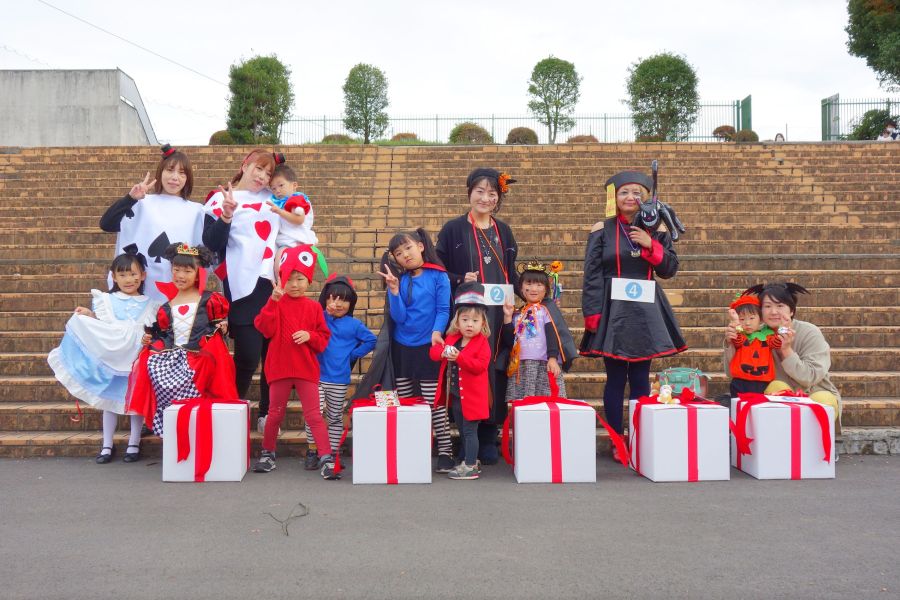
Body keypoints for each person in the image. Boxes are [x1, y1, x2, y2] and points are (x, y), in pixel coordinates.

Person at [580, 170, 686, 459]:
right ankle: (616, 439)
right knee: (615, 378)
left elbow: (670, 270)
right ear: (614, 197)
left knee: (640, 377)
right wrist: (592, 312)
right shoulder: (601, 228)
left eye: (637, 193)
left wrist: (651, 245)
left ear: (646, 198)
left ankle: (640, 437)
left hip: (644, 311)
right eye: (624, 192)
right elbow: (591, 274)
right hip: (612, 310)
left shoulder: (659, 230)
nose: (631, 197)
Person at [435, 168, 519, 464]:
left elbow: (513, 271)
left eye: (492, 193)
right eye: (480, 192)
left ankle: (488, 437)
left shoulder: (504, 231)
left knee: (494, 367)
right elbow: (438, 270)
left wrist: (540, 289)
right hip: (467, 315)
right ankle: (466, 435)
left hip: (497, 314)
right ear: (469, 193)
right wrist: (460, 278)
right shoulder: (453, 229)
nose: (486, 198)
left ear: (498, 198)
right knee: (466, 370)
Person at [48, 246, 158, 463]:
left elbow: (155, 331)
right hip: (111, 357)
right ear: (114, 277)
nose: (128, 279)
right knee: (108, 401)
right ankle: (107, 445)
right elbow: (102, 325)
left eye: (133, 274)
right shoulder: (106, 300)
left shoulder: (151, 305)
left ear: (142, 275)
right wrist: (88, 315)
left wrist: (149, 339)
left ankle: (134, 443)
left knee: (135, 401)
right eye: (123, 274)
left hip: (136, 358)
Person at [364, 228, 454, 473]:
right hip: (402, 347)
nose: (405, 255)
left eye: (408, 248)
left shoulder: (439, 277)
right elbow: (399, 317)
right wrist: (393, 291)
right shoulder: (400, 280)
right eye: (398, 253)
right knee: (405, 401)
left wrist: (437, 332)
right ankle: (410, 446)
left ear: (421, 246)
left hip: (429, 346)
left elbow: (443, 309)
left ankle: (445, 450)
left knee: (433, 402)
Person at [202, 150, 280, 429]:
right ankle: (231, 409)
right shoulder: (219, 198)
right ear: (244, 165)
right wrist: (226, 214)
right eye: (258, 169)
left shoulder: (276, 200)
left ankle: (267, 414)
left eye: (268, 173)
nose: (262, 177)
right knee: (247, 356)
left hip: (273, 285)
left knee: (272, 358)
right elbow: (211, 243)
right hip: (241, 284)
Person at [126, 243, 236, 436]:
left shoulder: (210, 300)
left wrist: (222, 327)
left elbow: (219, 325)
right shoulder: (166, 307)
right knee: (148, 360)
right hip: (174, 359)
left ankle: (201, 428)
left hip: (200, 359)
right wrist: (149, 340)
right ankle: (172, 425)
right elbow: (164, 335)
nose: (181, 275)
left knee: (211, 352)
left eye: (187, 270)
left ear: (198, 273)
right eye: (176, 270)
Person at [252, 245, 338, 479]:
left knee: (313, 415)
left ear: (308, 280)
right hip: (279, 368)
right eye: (288, 279)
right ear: (280, 280)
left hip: (305, 369)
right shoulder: (276, 303)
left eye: (299, 278)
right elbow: (263, 328)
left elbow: (323, 339)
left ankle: (326, 457)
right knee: (274, 413)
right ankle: (268, 454)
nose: (294, 284)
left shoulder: (313, 307)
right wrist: (271, 301)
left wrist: (310, 335)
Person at [724, 282, 842, 427]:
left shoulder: (809, 332)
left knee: (822, 400)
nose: (773, 312)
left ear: (791, 310)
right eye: (767, 306)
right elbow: (732, 373)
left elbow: (810, 377)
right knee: (776, 387)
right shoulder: (753, 334)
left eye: (780, 306)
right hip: (777, 395)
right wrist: (732, 344)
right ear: (760, 312)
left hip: (813, 392)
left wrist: (786, 350)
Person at [99, 144, 204, 303]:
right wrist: (130, 198)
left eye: (182, 173)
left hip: (177, 290)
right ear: (160, 172)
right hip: (138, 287)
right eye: (170, 170)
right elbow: (106, 224)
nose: (175, 177)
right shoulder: (141, 203)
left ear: (188, 178)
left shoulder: (197, 211)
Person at [303, 274, 376, 469]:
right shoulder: (318, 318)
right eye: (333, 298)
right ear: (325, 299)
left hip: (339, 379)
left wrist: (353, 355)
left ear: (351, 304)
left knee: (335, 417)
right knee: (314, 414)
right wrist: (324, 314)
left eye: (344, 300)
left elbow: (371, 340)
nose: (338, 304)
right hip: (315, 376)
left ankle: (333, 452)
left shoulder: (354, 325)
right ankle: (313, 450)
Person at [430, 282, 492, 480]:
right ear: (457, 321)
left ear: (483, 323)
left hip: (474, 397)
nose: (469, 324)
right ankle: (469, 459)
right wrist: (442, 351)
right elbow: (433, 353)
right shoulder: (453, 338)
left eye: (475, 320)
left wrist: (459, 358)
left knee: (470, 431)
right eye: (465, 319)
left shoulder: (482, 343)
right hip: (456, 395)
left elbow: (479, 366)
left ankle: (471, 465)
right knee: (463, 430)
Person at [502, 261, 577, 401]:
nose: (533, 288)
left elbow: (553, 333)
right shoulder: (518, 314)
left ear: (546, 289)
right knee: (524, 404)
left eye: (538, 284)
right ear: (521, 288)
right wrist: (507, 316)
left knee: (546, 402)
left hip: (544, 363)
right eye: (528, 284)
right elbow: (509, 340)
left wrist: (553, 358)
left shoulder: (547, 310)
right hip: (522, 365)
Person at [267, 162, 319, 278]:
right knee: (279, 267)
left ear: (294, 185)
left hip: (296, 242)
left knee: (281, 267)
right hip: (288, 242)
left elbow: (299, 219)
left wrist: (279, 211)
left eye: (281, 185)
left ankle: (280, 286)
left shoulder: (297, 200)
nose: (277, 191)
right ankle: (280, 286)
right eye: (273, 188)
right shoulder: (282, 202)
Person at [724, 293, 781, 397]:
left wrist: (782, 331)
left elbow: (776, 343)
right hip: (740, 381)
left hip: (763, 382)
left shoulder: (767, 336)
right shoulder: (742, 337)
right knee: (739, 408)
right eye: (742, 319)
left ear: (761, 319)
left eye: (752, 318)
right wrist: (736, 322)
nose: (747, 323)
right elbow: (737, 340)